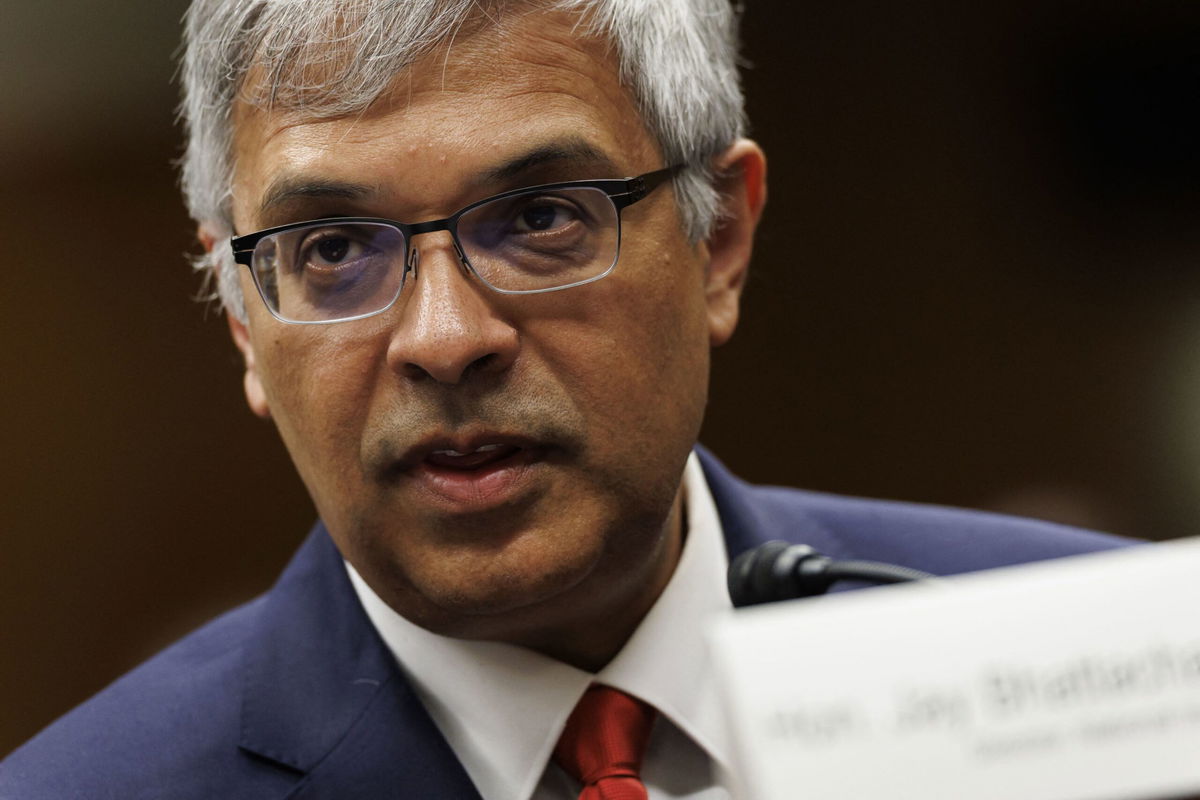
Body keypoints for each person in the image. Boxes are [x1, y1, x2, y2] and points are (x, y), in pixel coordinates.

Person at [0, 1, 1126, 797]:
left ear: (720, 239)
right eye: (333, 246)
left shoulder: (1106, 671)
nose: (444, 339)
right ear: (246, 319)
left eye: (540, 219)